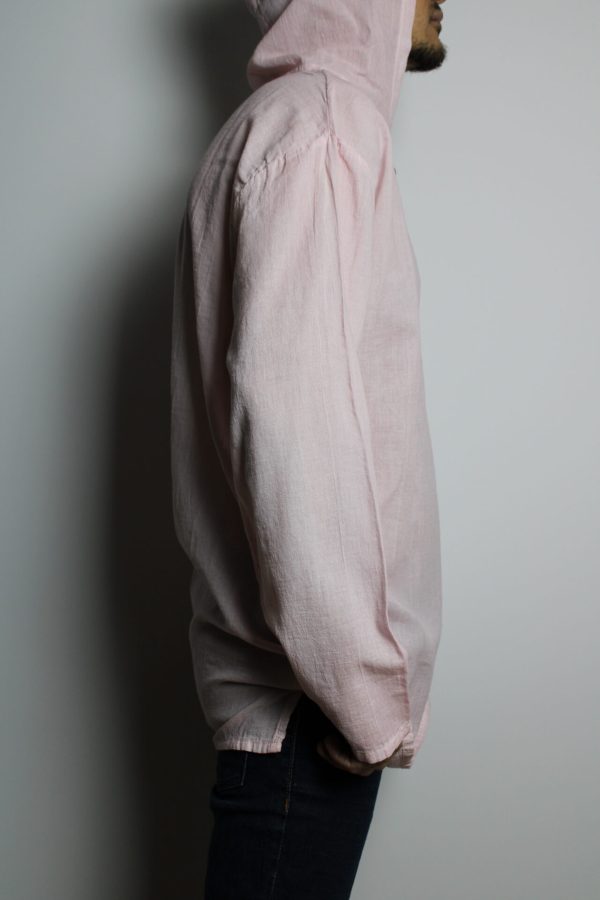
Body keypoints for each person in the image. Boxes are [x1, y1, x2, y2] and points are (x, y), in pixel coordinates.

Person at [169, 0, 448, 896]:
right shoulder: (324, 128)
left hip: (296, 710)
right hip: (309, 714)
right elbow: (296, 426)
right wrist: (368, 699)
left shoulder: (283, 127)